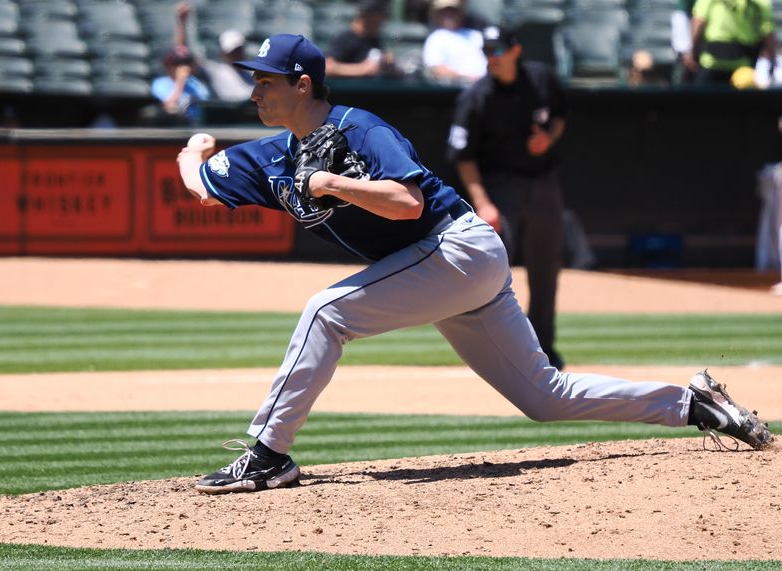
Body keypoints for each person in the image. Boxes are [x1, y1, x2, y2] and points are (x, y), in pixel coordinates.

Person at [176, 33, 773, 494]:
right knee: (546, 397)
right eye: (253, 81)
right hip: (440, 269)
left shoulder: (358, 129)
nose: (255, 90)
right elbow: (199, 185)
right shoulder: (267, 158)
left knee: (326, 311)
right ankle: (693, 403)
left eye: (266, 80)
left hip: (455, 247)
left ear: (302, 84)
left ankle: (268, 453)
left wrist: (333, 182)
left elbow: (409, 204)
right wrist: (192, 150)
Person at [447, 26, 567, 370]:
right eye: (486, 52)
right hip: (501, 188)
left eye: (496, 51)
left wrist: (549, 139)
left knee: (546, 272)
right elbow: (463, 156)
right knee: (495, 274)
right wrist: (483, 203)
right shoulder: (477, 96)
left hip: (544, 185)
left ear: (515, 50)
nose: (490, 58)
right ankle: (495, 352)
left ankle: (544, 351)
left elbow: (559, 117)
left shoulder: (541, 79)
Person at [174, 1, 253, 102]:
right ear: (223, 53)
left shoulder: (253, 76)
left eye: (239, 50)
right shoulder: (214, 71)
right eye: (232, 51)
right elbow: (183, 53)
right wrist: (182, 22)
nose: (236, 54)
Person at [685, 0, 777, 86]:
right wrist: (772, 60)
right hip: (742, 67)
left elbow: (698, 21)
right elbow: (767, 31)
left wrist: (692, 52)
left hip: (713, 63)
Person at [325, 0, 398, 79]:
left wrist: (388, 65)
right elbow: (327, 68)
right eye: (374, 16)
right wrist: (361, 69)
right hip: (347, 90)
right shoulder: (344, 38)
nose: (380, 22)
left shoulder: (375, 40)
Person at [421, 0, 487, 84]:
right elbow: (437, 69)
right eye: (444, 11)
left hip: (488, 85)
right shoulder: (436, 38)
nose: (449, 15)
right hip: (459, 89)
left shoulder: (475, 35)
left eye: (453, 11)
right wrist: (468, 78)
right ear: (437, 14)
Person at [150, 45, 210, 124]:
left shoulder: (197, 85)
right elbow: (168, 107)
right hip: (173, 127)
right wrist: (180, 82)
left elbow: (206, 109)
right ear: (168, 65)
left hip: (197, 126)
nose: (183, 67)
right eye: (177, 63)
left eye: (186, 62)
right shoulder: (160, 84)